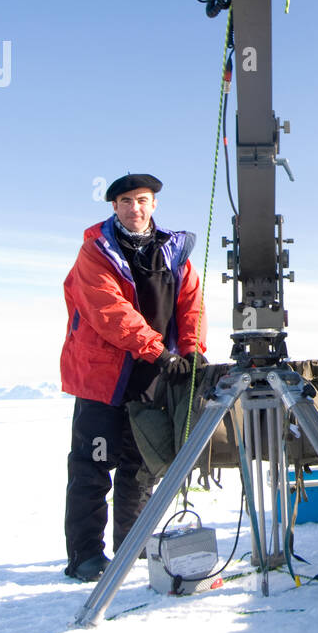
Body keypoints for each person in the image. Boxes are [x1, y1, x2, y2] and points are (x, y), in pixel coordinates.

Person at [60, 173, 206, 581]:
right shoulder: (96, 252)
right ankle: (86, 556)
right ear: (114, 207)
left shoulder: (173, 252)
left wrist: (191, 351)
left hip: (152, 377)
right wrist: (158, 351)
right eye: (125, 201)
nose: (134, 208)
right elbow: (109, 311)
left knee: (140, 465)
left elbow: (191, 304)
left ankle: (133, 545)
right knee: (93, 466)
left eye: (142, 200)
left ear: (153, 205)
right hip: (103, 379)